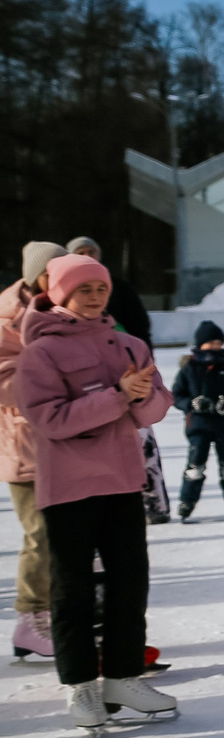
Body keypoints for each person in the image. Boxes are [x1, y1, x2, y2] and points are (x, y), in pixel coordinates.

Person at [18, 253, 176, 732]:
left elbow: (155, 409)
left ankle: (123, 675)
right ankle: (81, 683)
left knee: (130, 581)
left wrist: (142, 396)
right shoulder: (40, 352)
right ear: (59, 293)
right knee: (72, 589)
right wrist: (118, 396)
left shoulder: (128, 344)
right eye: (83, 289)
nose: (94, 296)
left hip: (122, 480)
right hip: (68, 487)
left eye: (101, 288)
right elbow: (49, 419)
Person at [64, 237, 167, 523]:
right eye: (81, 253)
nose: (88, 256)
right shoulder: (64, 297)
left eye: (91, 252)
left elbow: (141, 328)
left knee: (143, 443)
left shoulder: (120, 288)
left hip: (129, 371)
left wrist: (143, 362)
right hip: (90, 387)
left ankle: (154, 503)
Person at [2, 241, 64, 660]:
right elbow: (3, 381)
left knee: (69, 533)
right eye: (52, 271)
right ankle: (30, 618)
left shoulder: (59, 307)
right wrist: (52, 385)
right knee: (40, 533)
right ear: (35, 275)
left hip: (65, 437)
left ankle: (60, 614)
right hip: (25, 443)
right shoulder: (9, 315)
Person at [169, 321, 224, 520]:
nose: (215, 346)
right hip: (198, 426)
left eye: (218, 343)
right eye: (210, 343)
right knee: (196, 464)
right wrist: (192, 404)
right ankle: (187, 501)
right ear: (200, 344)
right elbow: (176, 395)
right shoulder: (189, 368)